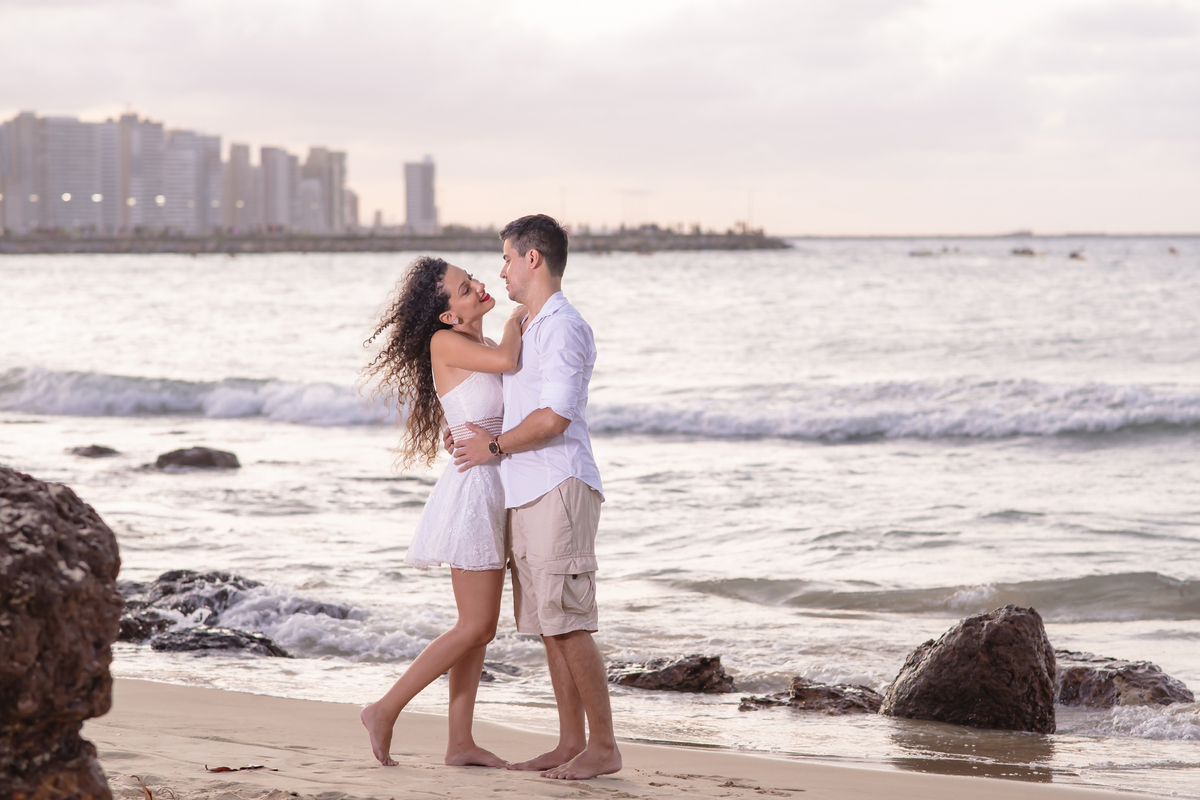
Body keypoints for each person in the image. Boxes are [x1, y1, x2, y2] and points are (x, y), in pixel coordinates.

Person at [453, 215, 622, 781]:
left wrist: (492, 446)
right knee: (550, 623)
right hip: (525, 488)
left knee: (570, 622)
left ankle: (603, 745)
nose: (499, 270)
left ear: (533, 259)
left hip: (558, 483)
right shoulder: (529, 321)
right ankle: (570, 741)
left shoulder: (564, 327)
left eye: (505, 258)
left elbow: (555, 417)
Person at [358, 255, 526, 768]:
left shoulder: (477, 343)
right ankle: (384, 709)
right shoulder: (446, 341)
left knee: (477, 627)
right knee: (476, 626)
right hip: (474, 490)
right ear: (449, 314)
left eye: (473, 277)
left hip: (492, 482)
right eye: (464, 287)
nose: (478, 285)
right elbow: (508, 365)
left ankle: (459, 742)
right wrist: (524, 313)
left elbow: (496, 402)